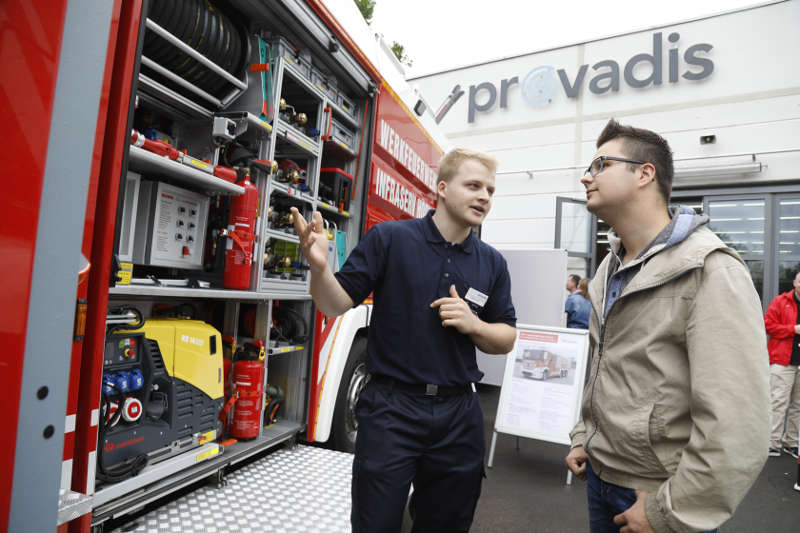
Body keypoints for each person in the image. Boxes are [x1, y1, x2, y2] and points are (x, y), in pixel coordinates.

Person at [291, 147, 517, 532]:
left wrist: (474, 325)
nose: (484, 197)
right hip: (391, 410)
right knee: (375, 522)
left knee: (446, 523)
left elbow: (506, 337)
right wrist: (319, 268)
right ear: (443, 189)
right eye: (474, 186)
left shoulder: (492, 262)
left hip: (458, 413)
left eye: (491, 191)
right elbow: (334, 303)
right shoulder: (390, 239)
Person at [564, 119, 769, 533]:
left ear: (644, 174)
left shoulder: (709, 267)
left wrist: (669, 511)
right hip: (600, 478)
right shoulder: (608, 267)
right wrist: (584, 433)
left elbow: (737, 422)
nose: (587, 176)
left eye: (601, 163)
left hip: (656, 495)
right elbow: (605, 367)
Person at [763, 271, 800, 459]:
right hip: (782, 362)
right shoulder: (780, 301)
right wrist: (793, 329)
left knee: (798, 406)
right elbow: (767, 325)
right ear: (795, 282)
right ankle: (772, 443)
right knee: (778, 403)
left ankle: (791, 443)